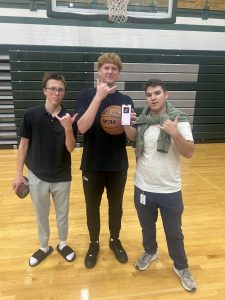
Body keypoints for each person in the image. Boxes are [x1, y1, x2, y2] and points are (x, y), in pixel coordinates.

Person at [134, 79, 197, 292]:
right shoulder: (142, 121)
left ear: (166, 95)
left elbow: (188, 152)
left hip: (169, 189)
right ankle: (150, 252)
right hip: (143, 187)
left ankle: (181, 266)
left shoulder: (178, 120)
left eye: (157, 93)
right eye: (149, 94)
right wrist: (127, 124)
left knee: (174, 232)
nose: (153, 97)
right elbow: (134, 141)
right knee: (147, 227)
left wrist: (174, 132)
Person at [75, 53, 136, 268]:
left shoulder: (126, 101)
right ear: (99, 71)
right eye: (106, 68)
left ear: (118, 73)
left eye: (114, 69)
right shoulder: (86, 95)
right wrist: (98, 98)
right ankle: (94, 243)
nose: (109, 71)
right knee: (92, 206)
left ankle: (114, 240)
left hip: (118, 164)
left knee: (116, 206)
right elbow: (81, 127)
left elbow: (132, 136)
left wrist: (126, 123)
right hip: (92, 164)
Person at [12, 72, 77, 267]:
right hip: (37, 174)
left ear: (63, 93)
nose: (56, 92)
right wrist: (18, 174)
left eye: (60, 90)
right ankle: (43, 247)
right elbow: (23, 145)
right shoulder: (31, 114)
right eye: (53, 89)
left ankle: (63, 244)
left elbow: (71, 148)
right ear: (45, 91)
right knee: (41, 213)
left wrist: (67, 128)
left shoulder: (68, 116)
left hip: (62, 175)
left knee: (62, 213)